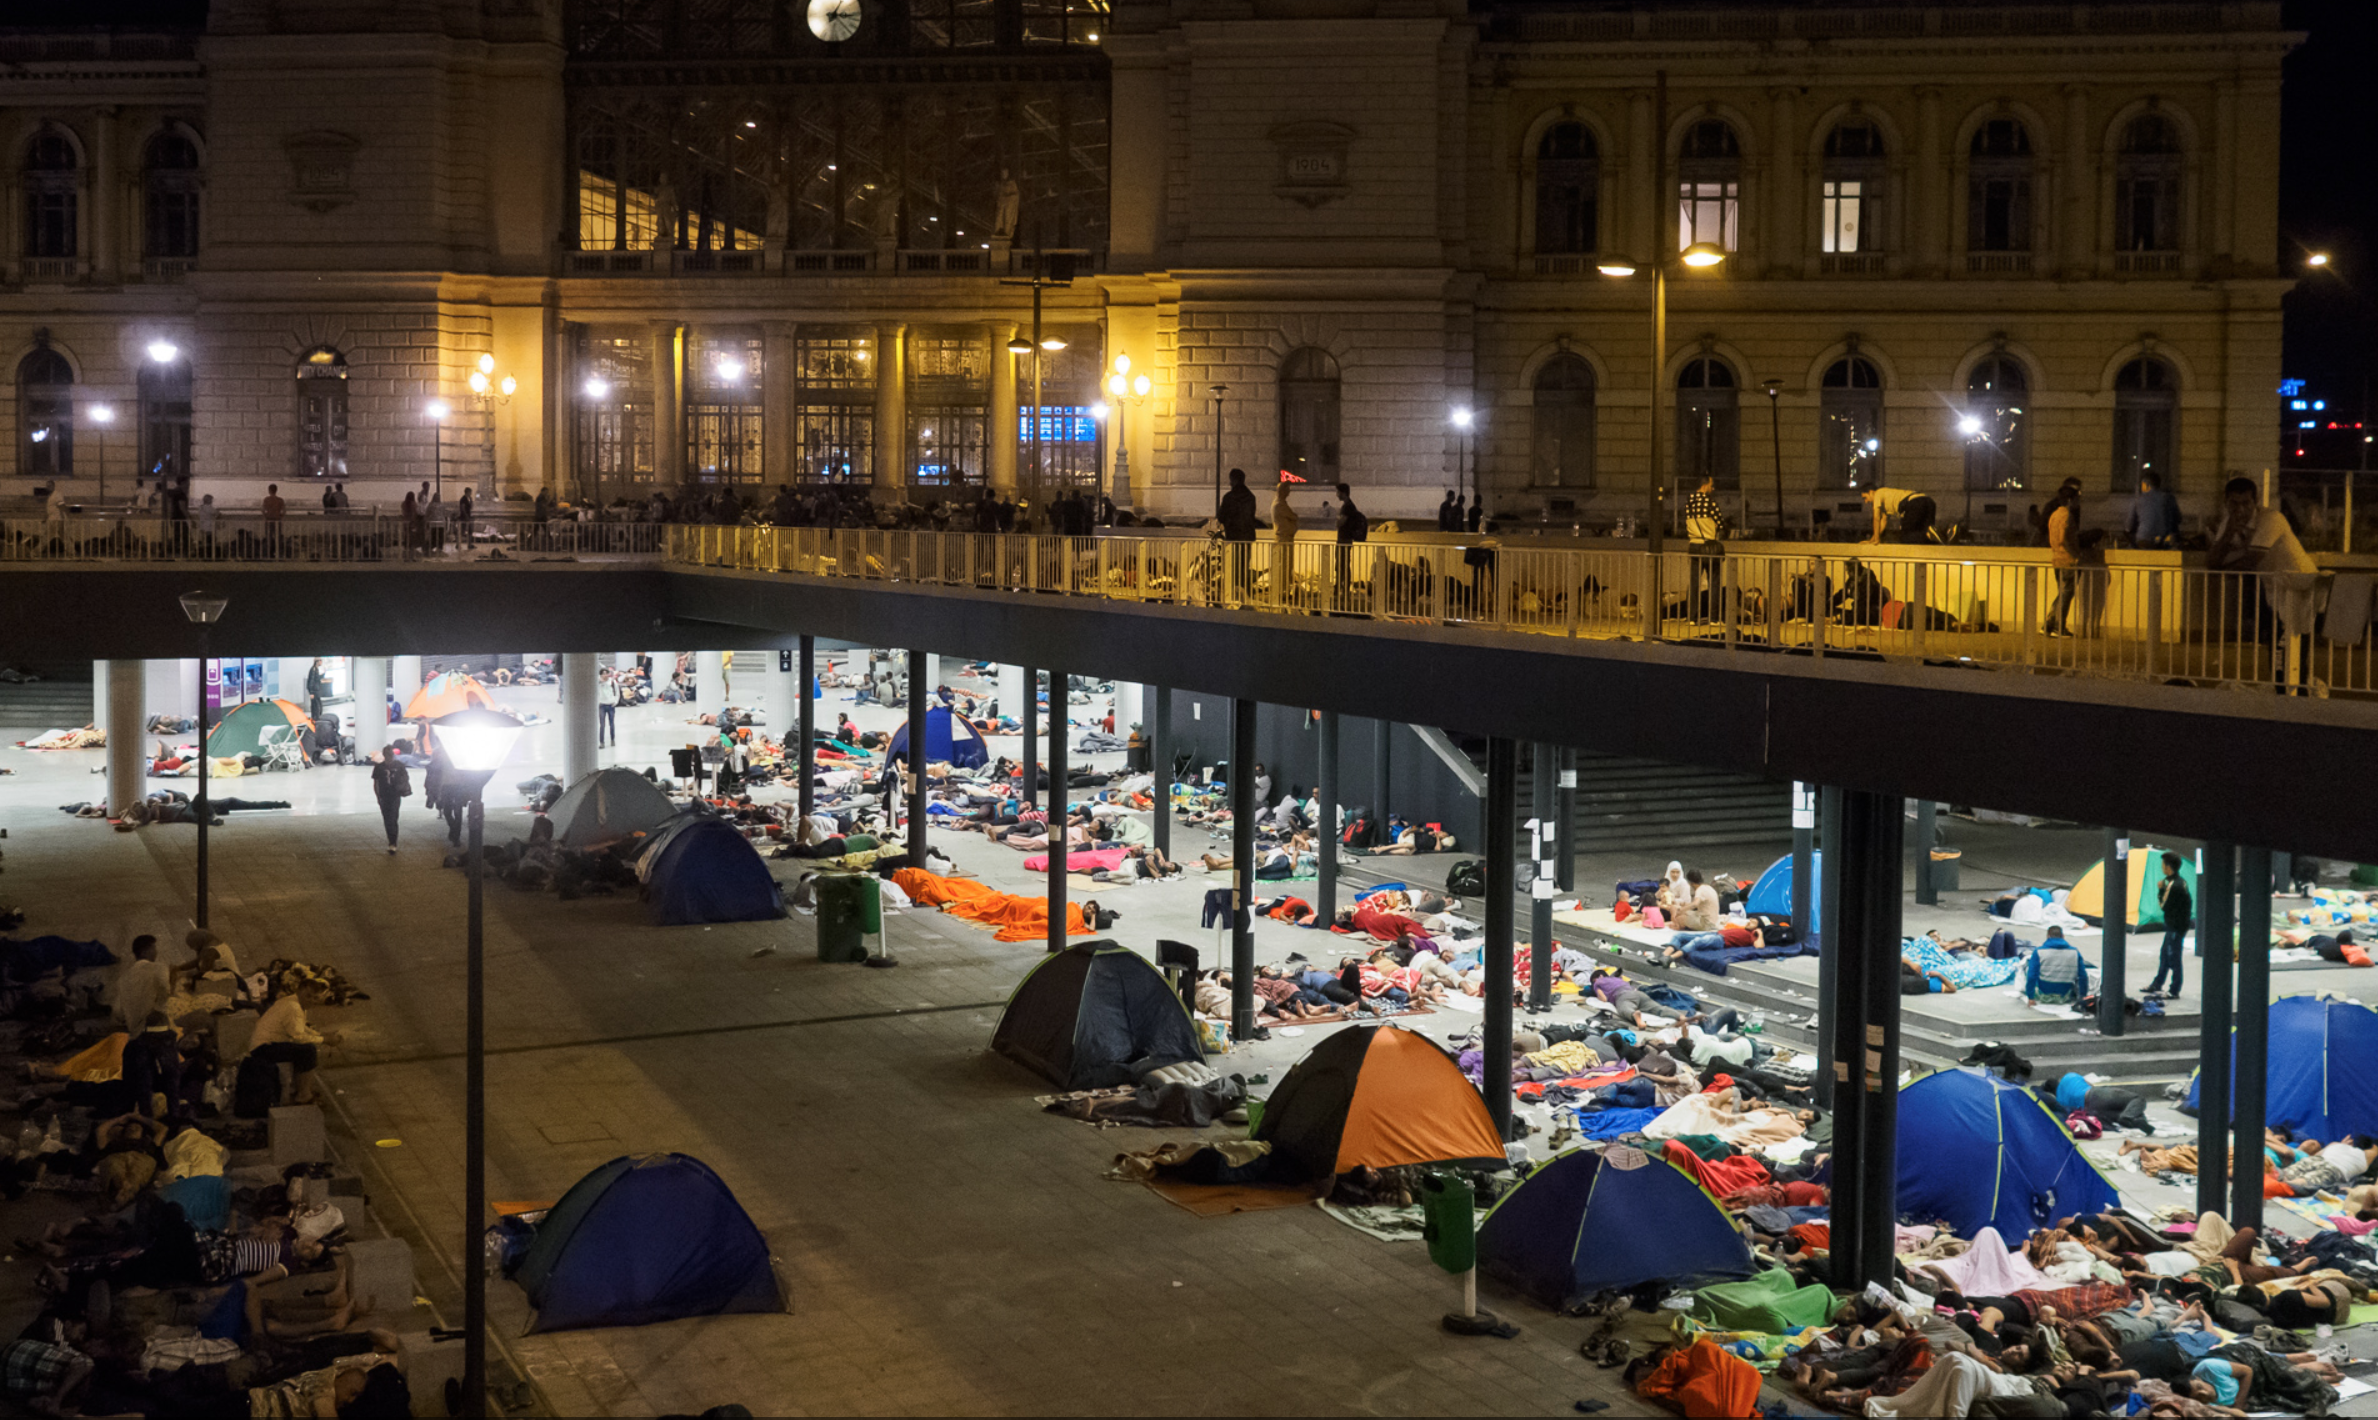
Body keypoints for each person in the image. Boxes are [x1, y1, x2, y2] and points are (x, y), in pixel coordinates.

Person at [2207, 474, 2319, 654]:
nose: (2240, 510)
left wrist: (2223, 571)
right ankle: (2283, 681)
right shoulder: (2229, 523)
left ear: (2256, 502)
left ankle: (2296, 681)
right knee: (2277, 642)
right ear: (2226, 502)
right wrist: (2227, 534)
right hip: (2275, 585)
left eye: (2246, 503)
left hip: (2299, 583)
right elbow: (2212, 561)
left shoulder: (2271, 519)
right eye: (2234, 504)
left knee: (2292, 641)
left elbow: (2252, 560)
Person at [2145, 850, 2192, 997]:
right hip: (2178, 925)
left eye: (2163, 864)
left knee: (2173, 958)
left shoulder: (2172, 885)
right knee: (2165, 955)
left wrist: (2160, 890)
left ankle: (2174, 990)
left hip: (2175, 927)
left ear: (2168, 867)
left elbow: (2163, 905)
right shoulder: (2181, 881)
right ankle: (2157, 984)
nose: (2162, 867)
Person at [2043, 478, 2082, 636]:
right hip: (2067, 560)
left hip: (2056, 558)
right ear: (2071, 500)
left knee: (2062, 592)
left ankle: (2049, 623)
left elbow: (2053, 538)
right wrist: (2075, 554)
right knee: (2066, 594)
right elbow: (2063, 538)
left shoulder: (2054, 515)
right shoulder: (2067, 516)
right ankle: (2059, 626)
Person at [1684, 473, 1726, 620]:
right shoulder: (1710, 503)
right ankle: (1714, 618)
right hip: (1709, 546)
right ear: (1705, 485)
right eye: (1711, 485)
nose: (1712, 488)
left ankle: (1691, 617)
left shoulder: (1689, 502)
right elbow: (1720, 524)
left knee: (1694, 582)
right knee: (1714, 582)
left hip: (1694, 545)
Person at [113, 934, 172, 1033]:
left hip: (135, 1035)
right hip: (158, 1029)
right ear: (144, 952)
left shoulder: (124, 978)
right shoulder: (158, 969)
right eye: (154, 948)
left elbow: (118, 1012)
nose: (156, 952)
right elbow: (168, 991)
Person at [2024, 925, 2092, 1005]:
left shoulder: (2039, 951)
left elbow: (2031, 976)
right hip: (2065, 996)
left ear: (2048, 936)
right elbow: (2083, 976)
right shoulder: (2075, 952)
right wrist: (2082, 997)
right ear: (2063, 936)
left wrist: (2030, 997)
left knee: (2027, 966)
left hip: (2043, 995)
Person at [369, 745, 410, 854]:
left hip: (392, 795)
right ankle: (392, 841)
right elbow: (376, 783)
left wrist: (378, 796)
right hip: (388, 795)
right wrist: (378, 796)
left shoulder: (382, 767)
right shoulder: (386, 767)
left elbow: (376, 783)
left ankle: (392, 841)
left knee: (391, 818)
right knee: (390, 818)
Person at [1861, 485, 1935, 544]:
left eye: (1865, 497)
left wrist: (1876, 540)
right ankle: (1930, 535)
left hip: (1914, 503)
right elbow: (1883, 522)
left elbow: (1876, 518)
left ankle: (1927, 535)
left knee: (1906, 536)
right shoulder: (1886, 495)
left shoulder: (1877, 493)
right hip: (1928, 502)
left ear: (1871, 492)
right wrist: (1872, 539)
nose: (1866, 501)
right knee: (1920, 533)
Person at [2126, 469, 2180, 549]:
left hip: (2144, 540)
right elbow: (2178, 519)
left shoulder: (2138, 500)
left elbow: (2129, 526)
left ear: (2147, 485)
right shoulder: (2169, 498)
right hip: (2164, 541)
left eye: (2142, 485)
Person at [304, 657, 329, 723]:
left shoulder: (315, 669)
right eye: (321, 661)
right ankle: (316, 719)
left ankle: (316, 718)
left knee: (317, 705)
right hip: (314, 691)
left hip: (316, 690)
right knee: (316, 706)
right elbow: (311, 681)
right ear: (318, 661)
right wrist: (311, 692)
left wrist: (323, 674)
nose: (321, 662)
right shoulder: (313, 670)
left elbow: (316, 679)